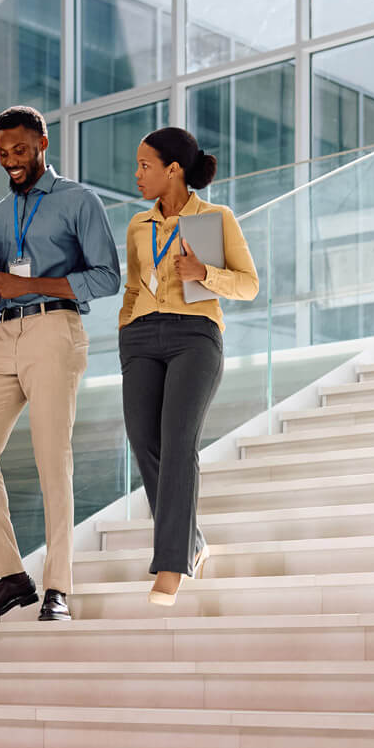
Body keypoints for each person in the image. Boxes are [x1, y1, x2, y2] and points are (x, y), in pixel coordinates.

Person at [0, 105, 121, 622]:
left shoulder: (78, 200)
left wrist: (26, 285)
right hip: (7, 332)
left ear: (43, 145)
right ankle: (12, 577)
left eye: (20, 151)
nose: (10, 161)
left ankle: (58, 587)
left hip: (56, 330)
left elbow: (106, 278)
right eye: (3, 154)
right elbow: (0, 291)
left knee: (53, 459)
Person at [118, 127, 259, 605]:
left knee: (179, 443)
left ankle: (172, 563)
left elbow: (249, 285)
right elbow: (132, 288)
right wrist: (125, 329)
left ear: (173, 169)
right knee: (145, 441)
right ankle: (191, 542)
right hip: (140, 338)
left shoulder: (215, 218)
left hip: (194, 336)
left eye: (145, 166)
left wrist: (204, 274)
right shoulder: (139, 226)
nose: (137, 175)